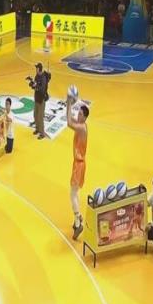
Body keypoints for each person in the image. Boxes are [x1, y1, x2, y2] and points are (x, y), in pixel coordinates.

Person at [67, 98, 89, 240]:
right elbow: (70, 119)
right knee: (75, 192)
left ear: (85, 117)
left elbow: (69, 123)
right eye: (78, 113)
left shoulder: (81, 128)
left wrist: (69, 103)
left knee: (72, 194)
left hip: (79, 164)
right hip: (80, 163)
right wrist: (69, 104)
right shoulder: (83, 124)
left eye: (80, 114)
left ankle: (77, 222)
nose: (78, 115)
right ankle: (79, 217)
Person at [31, 63, 49, 140]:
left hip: (41, 100)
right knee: (35, 115)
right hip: (36, 98)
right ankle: (37, 129)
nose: (36, 69)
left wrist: (36, 86)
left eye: (36, 68)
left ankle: (42, 133)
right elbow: (35, 86)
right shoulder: (36, 76)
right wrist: (32, 85)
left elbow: (42, 89)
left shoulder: (43, 78)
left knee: (40, 117)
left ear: (39, 69)